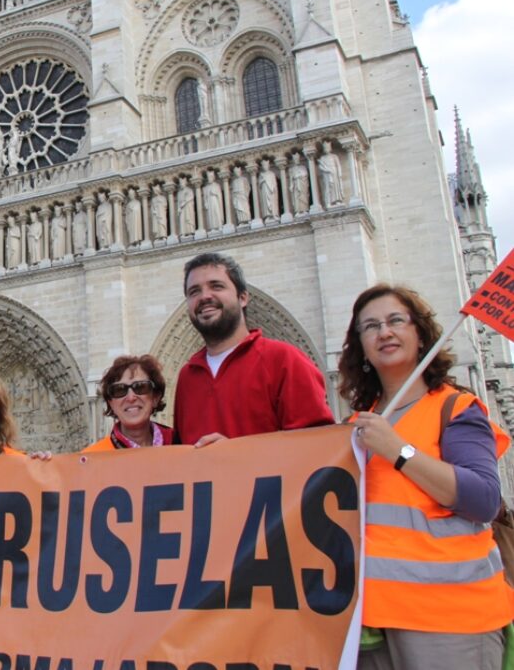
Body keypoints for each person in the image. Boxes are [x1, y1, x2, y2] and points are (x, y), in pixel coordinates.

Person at [341, 284, 512, 669]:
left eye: (395, 320)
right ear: (361, 349)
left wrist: (397, 450)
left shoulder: (455, 408)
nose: (384, 331)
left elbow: (483, 499)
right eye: (370, 327)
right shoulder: (356, 425)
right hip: (372, 622)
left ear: (420, 335)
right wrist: (233, 455)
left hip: (449, 618)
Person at [173, 252, 334, 445]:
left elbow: (319, 446)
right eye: (194, 291)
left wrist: (240, 455)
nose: (205, 296)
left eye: (216, 286)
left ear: (243, 298)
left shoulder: (285, 360)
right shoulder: (187, 377)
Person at [84, 354, 174, 451]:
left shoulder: (182, 443)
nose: (131, 398)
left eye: (140, 387)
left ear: (155, 398)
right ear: (111, 403)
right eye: (119, 390)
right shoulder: (93, 458)